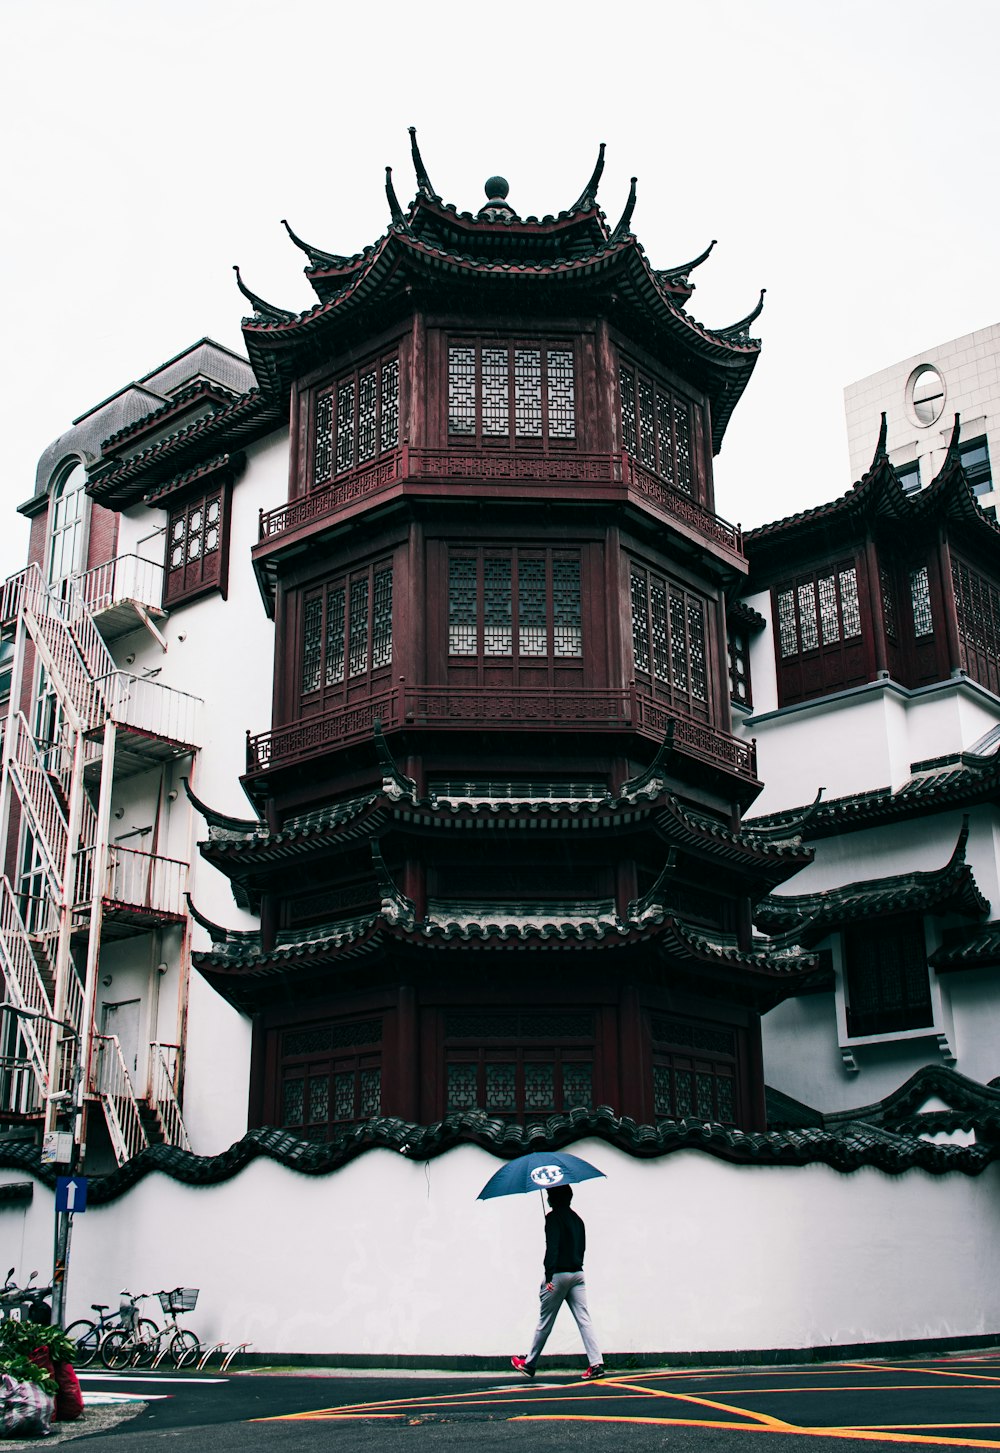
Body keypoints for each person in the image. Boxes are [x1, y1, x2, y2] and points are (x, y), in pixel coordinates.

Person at [511, 1184, 605, 1381]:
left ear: (554, 1198)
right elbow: (582, 1248)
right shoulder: (578, 1220)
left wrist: (549, 1276)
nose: (546, 1198)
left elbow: (552, 1248)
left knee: (545, 1321)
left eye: (548, 1194)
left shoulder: (552, 1218)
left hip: (558, 1275)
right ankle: (596, 1364)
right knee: (584, 1319)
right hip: (578, 1274)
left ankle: (529, 1364)